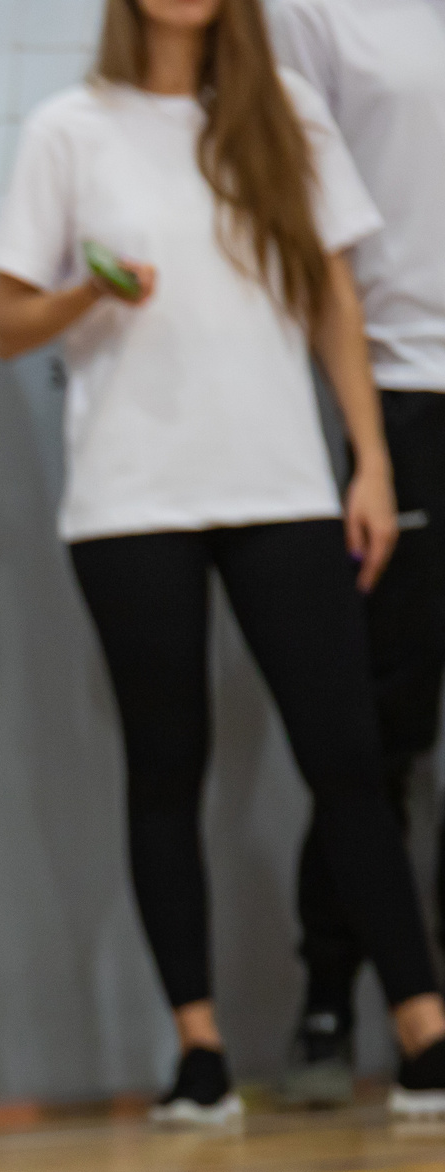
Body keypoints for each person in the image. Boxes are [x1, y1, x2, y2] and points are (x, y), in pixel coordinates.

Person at [0, 0, 445, 1125]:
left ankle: (423, 1025)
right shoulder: (66, 128)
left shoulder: (282, 111)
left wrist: (368, 462)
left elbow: (336, 294)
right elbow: (5, 321)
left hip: (282, 482)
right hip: (131, 496)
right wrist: (89, 289)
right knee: (165, 764)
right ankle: (197, 1048)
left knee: (347, 753)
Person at [269, 0, 445, 1109]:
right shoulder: (308, 14)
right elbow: (297, 215)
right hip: (393, 387)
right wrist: (350, 438)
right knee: (382, 717)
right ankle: (335, 988)